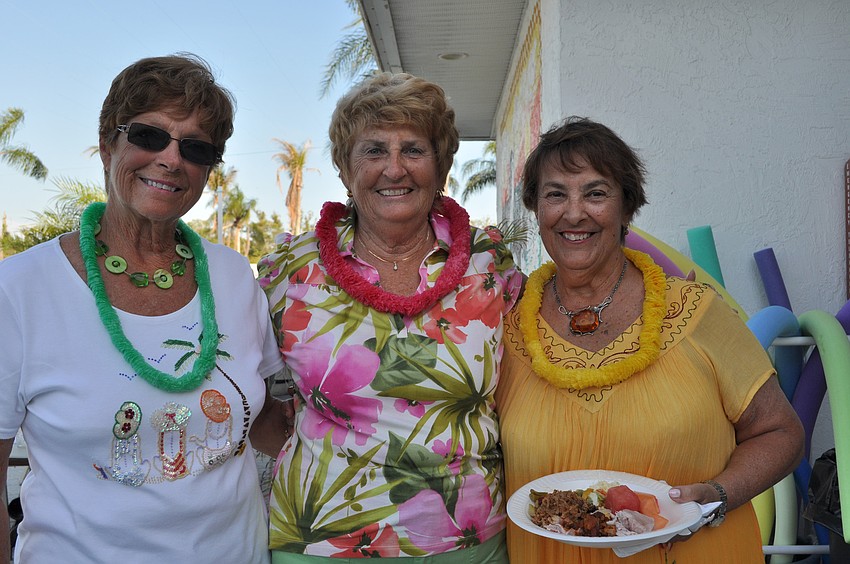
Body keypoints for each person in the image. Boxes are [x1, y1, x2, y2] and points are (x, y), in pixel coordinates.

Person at [0, 54, 288, 563]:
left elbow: (264, 420)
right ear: (108, 142)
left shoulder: (233, 276)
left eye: (196, 148)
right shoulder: (19, 289)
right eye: (149, 135)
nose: (172, 159)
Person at [495, 116, 805, 563]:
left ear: (627, 208)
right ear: (536, 209)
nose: (574, 212)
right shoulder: (506, 326)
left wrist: (716, 497)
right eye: (555, 194)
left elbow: (780, 431)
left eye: (596, 193)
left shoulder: (696, 311)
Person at [256, 72, 523, 563]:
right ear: (344, 168)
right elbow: (251, 403)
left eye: (414, 150)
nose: (394, 169)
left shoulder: (489, 263)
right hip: (320, 540)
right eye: (374, 151)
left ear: (441, 166)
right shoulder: (289, 272)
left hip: (467, 540)